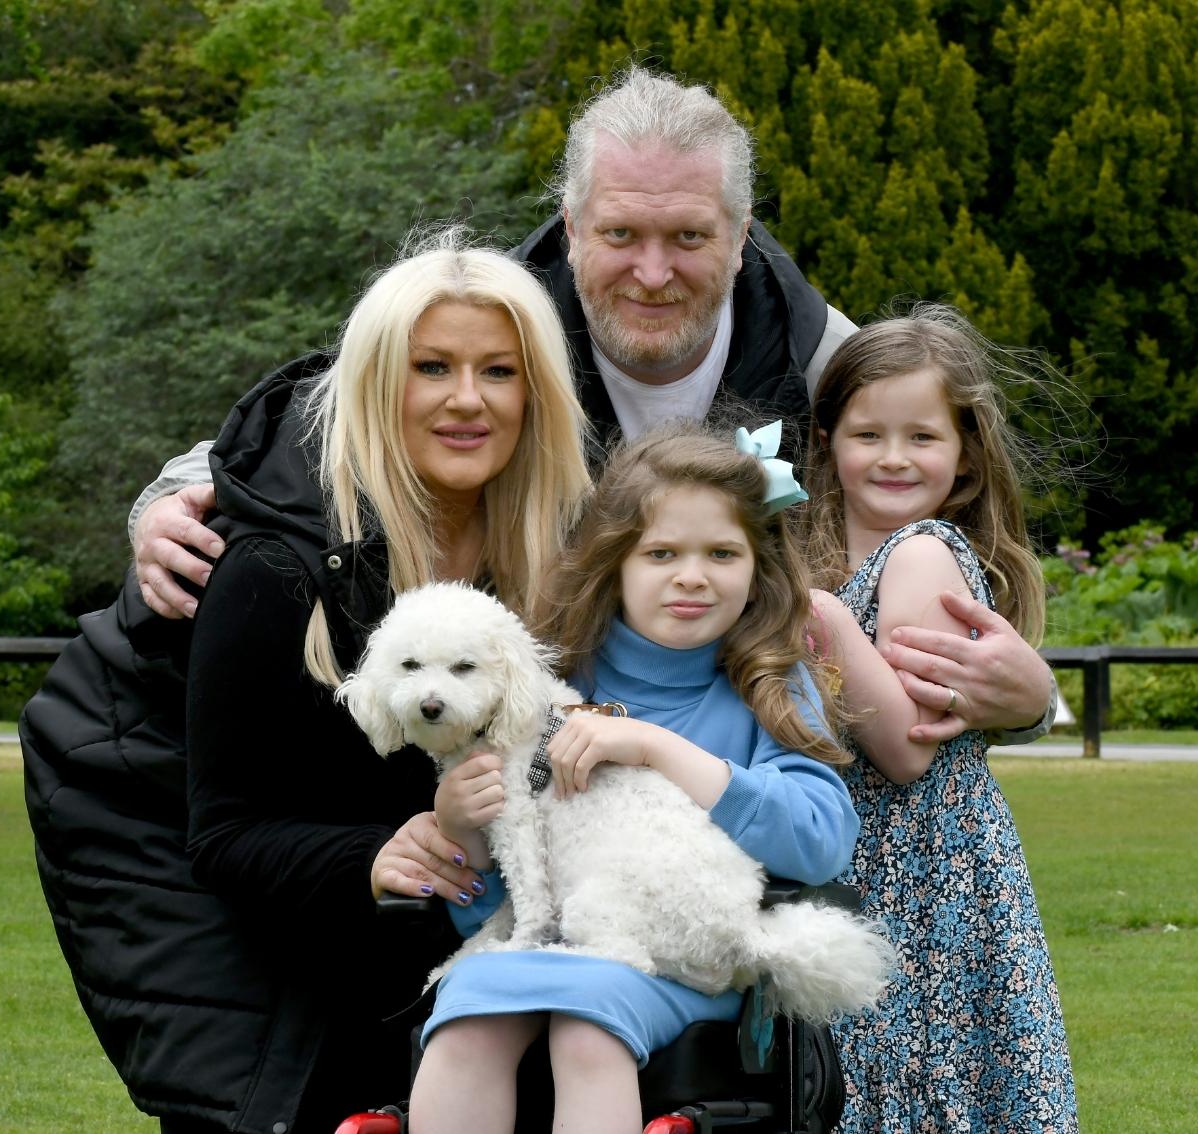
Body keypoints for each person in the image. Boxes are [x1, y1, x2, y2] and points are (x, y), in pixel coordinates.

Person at [124, 66, 1056, 750]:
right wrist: (163, 501)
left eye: (688, 236)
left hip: (756, 764)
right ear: (571, 229)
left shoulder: (829, 364)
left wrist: (1029, 704)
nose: (652, 272)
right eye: (620, 233)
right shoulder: (493, 327)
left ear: (740, 235)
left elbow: (965, 535)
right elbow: (332, 411)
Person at [20, 228, 593, 1134]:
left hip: (449, 941)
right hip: (267, 940)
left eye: (499, 371)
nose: (467, 399)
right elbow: (225, 832)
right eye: (432, 368)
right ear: (377, 383)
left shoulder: (555, 547)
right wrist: (374, 855)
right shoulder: (274, 568)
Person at [408, 421, 860, 1134]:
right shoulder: (555, 684)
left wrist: (658, 748)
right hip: (550, 942)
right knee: (468, 1011)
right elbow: (486, 910)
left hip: (685, 959)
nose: (692, 576)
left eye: (722, 553)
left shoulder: (768, 684)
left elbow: (821, 842)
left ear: (758, 564)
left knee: (586, 1025)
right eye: (661, 553)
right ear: (614, 561)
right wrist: (461, 826)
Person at [801, 304, 1078, 1131]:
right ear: (827, 442)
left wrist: (823, 617)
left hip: (923, 869)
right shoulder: (823, 557)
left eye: (922, 436)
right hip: (863, 859)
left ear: (964, 456)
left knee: (919, 1077)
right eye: (868, 434)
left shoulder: (921, 554)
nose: (894, 457)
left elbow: (908, 748)